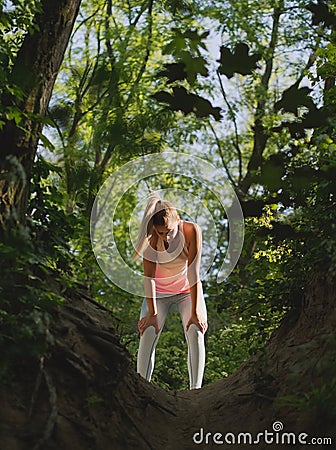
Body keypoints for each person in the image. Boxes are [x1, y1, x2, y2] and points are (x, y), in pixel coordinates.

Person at [133, 194, 208, 390]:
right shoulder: (151, 241)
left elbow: (193, 272)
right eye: (160, 232)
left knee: (196, 329)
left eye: (168, 231)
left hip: (186, 290)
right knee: (148, 330)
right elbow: (148, 279)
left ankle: (196, 391)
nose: (164, 237)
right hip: (159, 293)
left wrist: (195, 312)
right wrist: (153, 314)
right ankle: (142, 388)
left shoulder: (192, 230)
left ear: (177, 220)